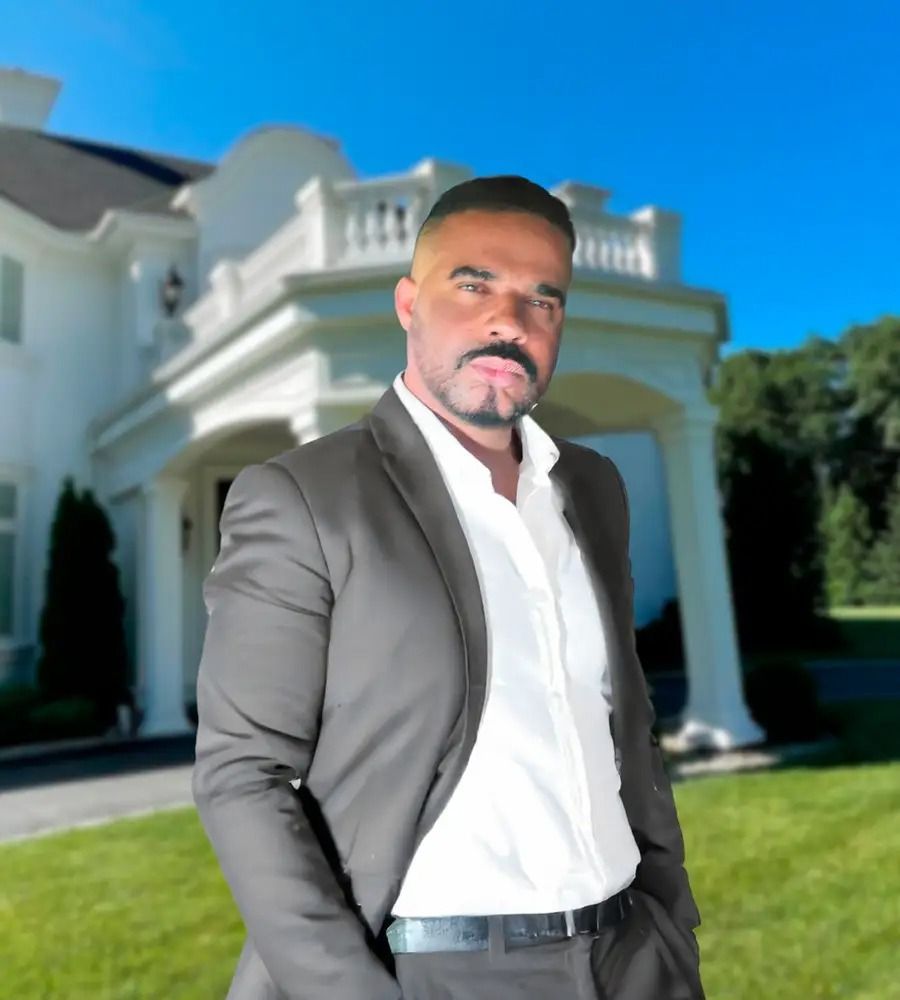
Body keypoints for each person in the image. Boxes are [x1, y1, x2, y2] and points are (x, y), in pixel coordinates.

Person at [192, 175, 704, 1000]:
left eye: (545, 299)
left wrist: (669, 920)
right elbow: (243, 774)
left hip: (632, 956)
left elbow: (622, 719)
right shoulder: (303, 496)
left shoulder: (593, 488)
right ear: (407, 302)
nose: (511, 321)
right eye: (474, 285)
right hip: (439, 971)